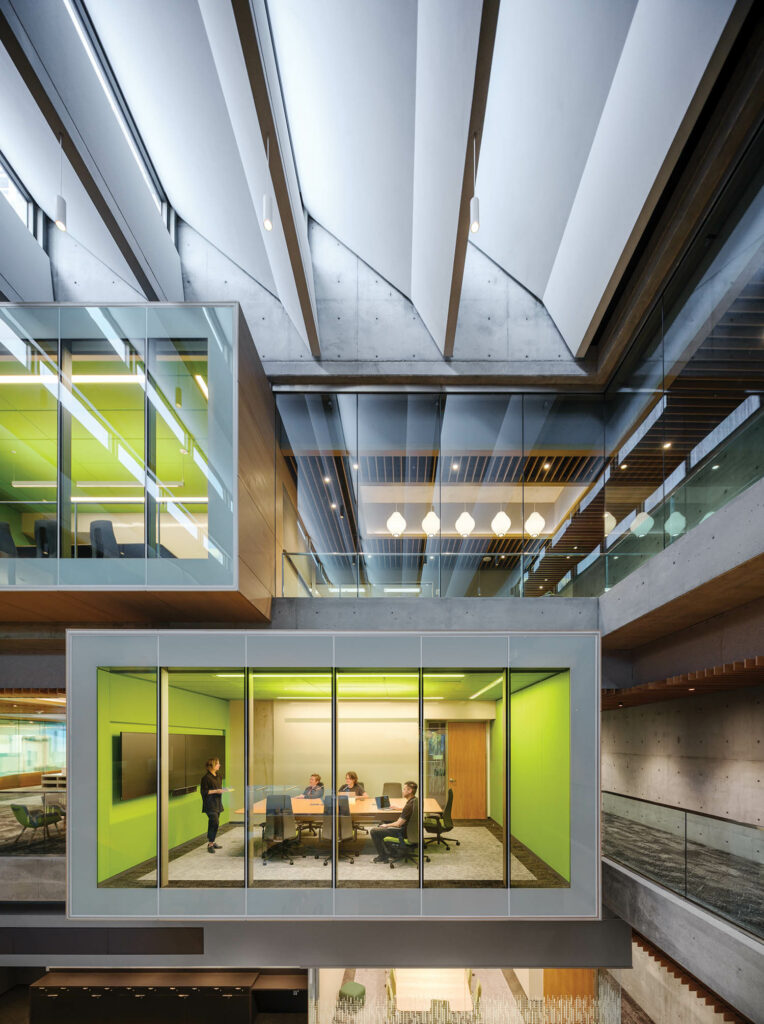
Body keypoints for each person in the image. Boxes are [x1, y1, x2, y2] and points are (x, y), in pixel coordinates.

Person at [370, 781, 417, 863]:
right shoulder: (415, 801)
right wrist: (399, 808)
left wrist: (386, 825)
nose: (402, 791)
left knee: (374, 831)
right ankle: (393, 852)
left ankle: (383, 856)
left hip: (403, 832)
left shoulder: (408, 806)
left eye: (404, 789)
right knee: (384, 822)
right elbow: (408, 811)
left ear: (410, 791)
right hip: (412, 831)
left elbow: (398, 824)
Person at [200, 757, 232, 854]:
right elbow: (204, 792)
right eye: (218, 764)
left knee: (215, 823)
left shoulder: (219, 776)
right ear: (212, 765)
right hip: (210, 803)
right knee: (214, 821)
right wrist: (216, 791)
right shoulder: (205, 778)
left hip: (218, 803)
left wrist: (224, 789)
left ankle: (212, 842)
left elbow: (219, 788)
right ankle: (210, 844)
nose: (219, 765)